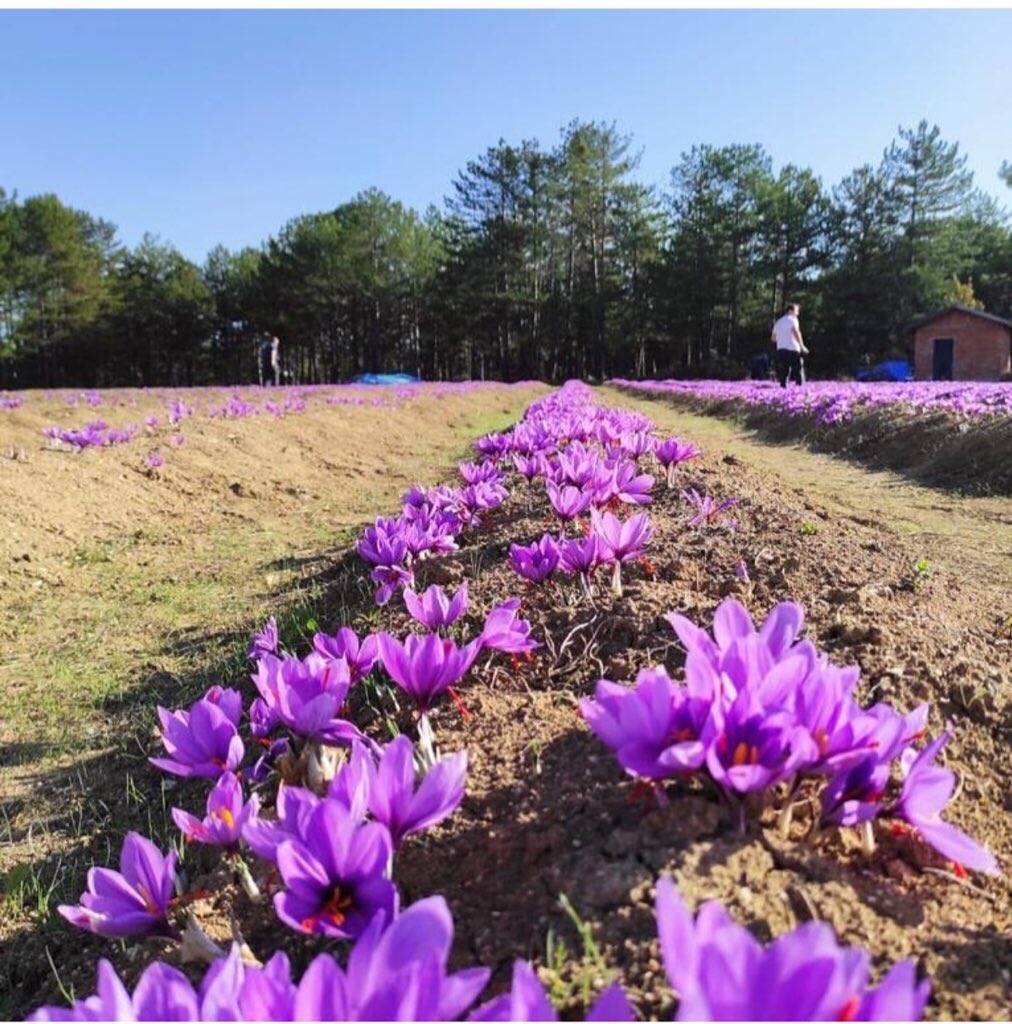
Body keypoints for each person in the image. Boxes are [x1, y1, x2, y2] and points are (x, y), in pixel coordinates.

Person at [770, 303, 809, 388]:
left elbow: (773, 338)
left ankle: (783, 388)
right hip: (793, 348)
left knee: (784, 370)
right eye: (796, 311)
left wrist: (782, 340)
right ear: (790, 311)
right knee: (797, 369)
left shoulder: (779, 322)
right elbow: (796, 332)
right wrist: (802, 345)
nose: (798, 313)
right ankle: (800, 388)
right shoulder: (793, 319)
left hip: (781, 349)